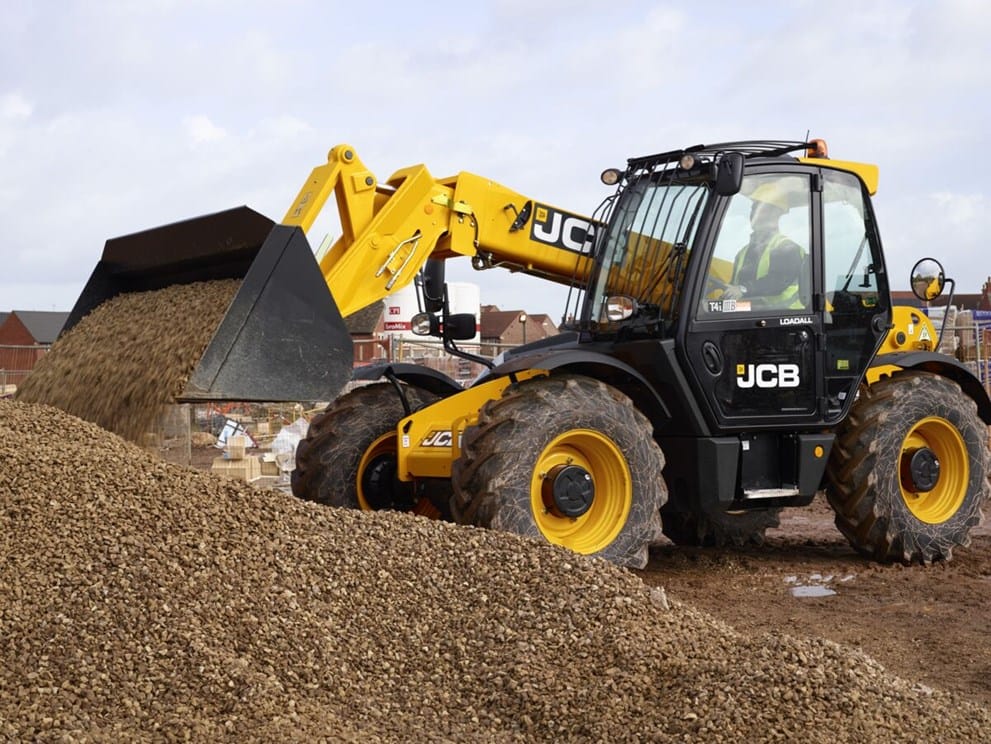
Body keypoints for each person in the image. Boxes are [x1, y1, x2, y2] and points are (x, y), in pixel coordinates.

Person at [722, 182, 805, 309]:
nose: (754, 213)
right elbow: (735, 287)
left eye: (760, 209)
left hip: (784, 315)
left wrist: (743, 289)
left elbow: (777, 281)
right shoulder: (743, 253)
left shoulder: (787, 248)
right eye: (753, 208)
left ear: (775, 214)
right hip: (753, 314)